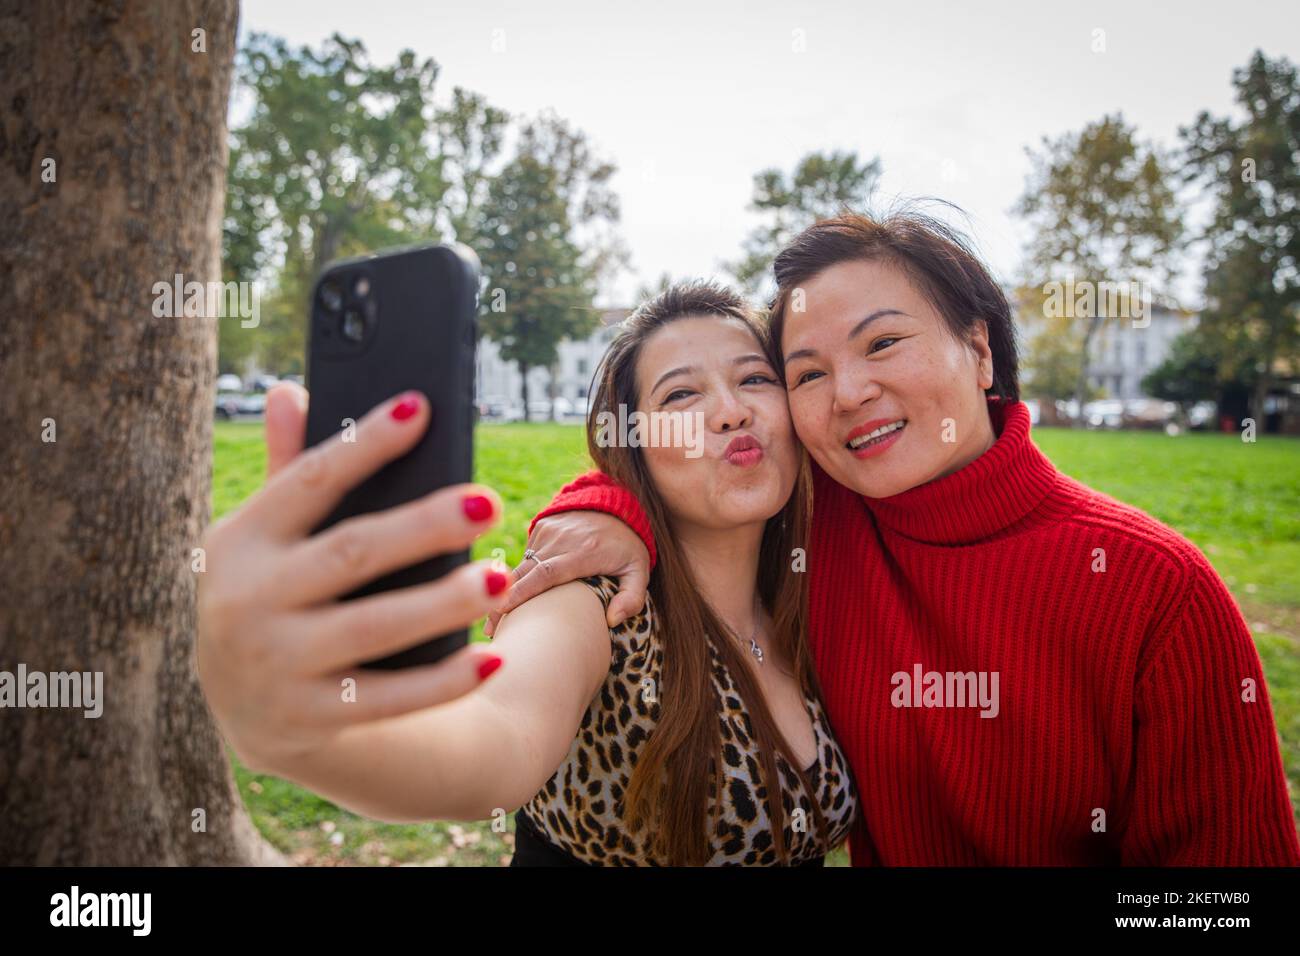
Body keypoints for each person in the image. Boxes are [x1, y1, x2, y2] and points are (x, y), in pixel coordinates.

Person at [489, 209, 1300, 866]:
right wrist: (603, 507)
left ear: (980, 348)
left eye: (883, 342)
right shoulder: (816, 527)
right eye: (806, 372)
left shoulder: (1158, 591)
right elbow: (688, 475)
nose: (849, 392)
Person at [197, 280, 857, 866]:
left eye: (754, 379)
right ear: (632, 448)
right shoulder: (590, 598)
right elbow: (494, 742)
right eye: (681, 393)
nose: (730, 410)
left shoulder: (809, 594)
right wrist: (308, 732)